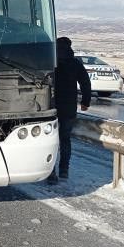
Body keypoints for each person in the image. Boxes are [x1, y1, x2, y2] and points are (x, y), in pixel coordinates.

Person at [48, 36, 91, 184]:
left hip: (50, 106)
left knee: (50, 140)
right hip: (69, 107)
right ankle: (64, 170)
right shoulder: (75, 63)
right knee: (65, 139)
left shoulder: (50, 61)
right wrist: (85, 102)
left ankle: (50, 172)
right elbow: (85, 82)